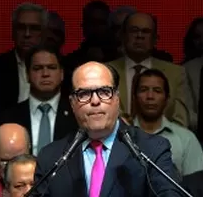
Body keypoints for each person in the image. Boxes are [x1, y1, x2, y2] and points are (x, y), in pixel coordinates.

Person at [33, 61, 182, 197]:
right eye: (84, 94)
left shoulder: (151, 149)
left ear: (116, 98)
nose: (95, 101)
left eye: (104, 92)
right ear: (72, 103)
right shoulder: (51, 158)